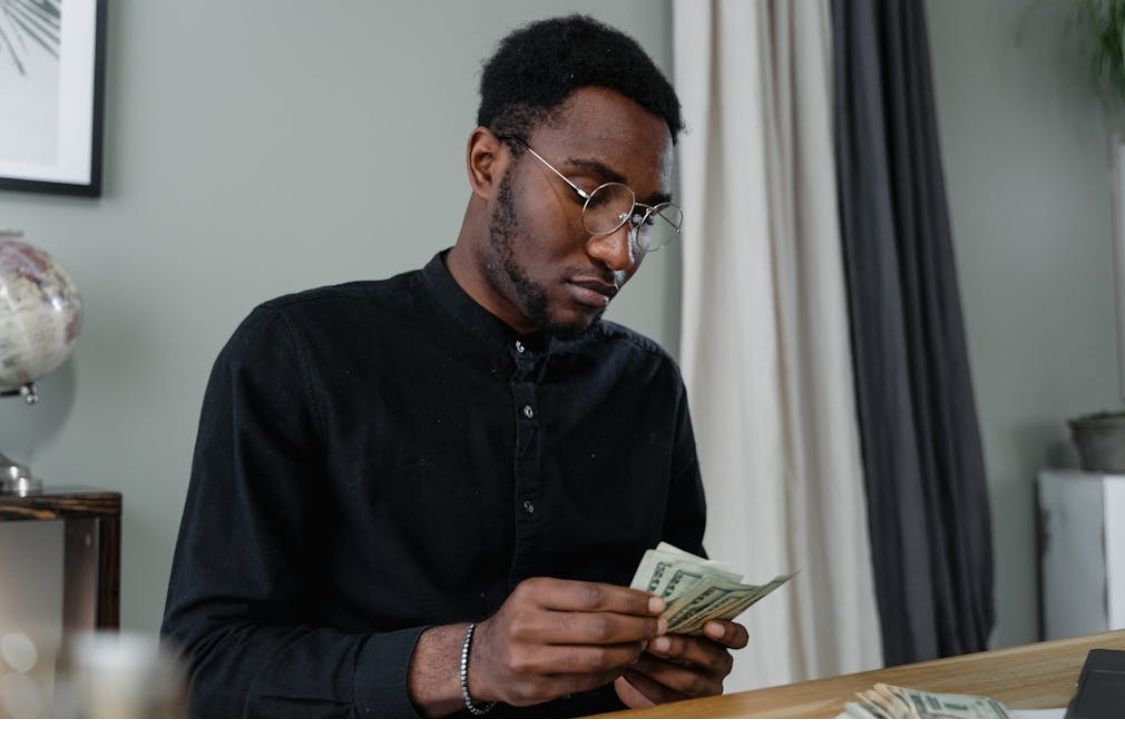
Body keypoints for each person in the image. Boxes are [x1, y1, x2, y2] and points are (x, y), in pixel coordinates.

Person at [161, 14, 750, 718]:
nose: (619, 253)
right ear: (485, 164)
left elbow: (670, 642)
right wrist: (466, 660)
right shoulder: (294, 352)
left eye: (644, 217)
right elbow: (204, 666)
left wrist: (680, 669)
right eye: (593, 198)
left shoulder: (646, 384)